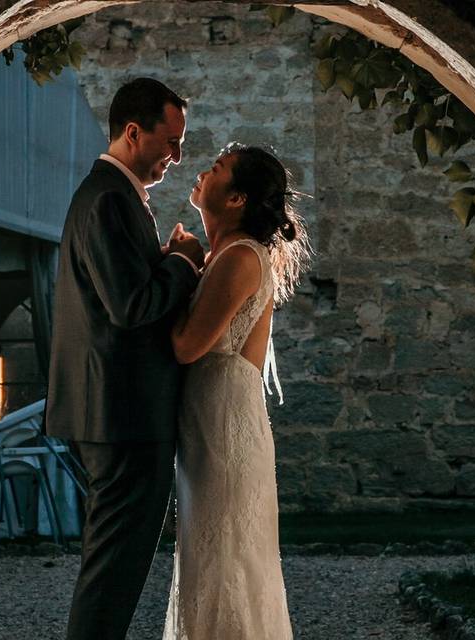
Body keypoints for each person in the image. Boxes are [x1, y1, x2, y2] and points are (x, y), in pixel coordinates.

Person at [45, 77, 205, 640]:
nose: (177, 157)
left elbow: (122, 291)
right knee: (114, 571)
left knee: (115, 567)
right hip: (123, 416)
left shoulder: (110, 196)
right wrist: (183, 262)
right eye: (171, 141)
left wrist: (161, 260)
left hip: (114, 411)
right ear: (133, 132)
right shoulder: (110, 198)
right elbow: (132, 305)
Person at [163, 143, 311, 639]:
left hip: (224, 429)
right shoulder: (223, 255)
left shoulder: (238, 258)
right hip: (211, 423)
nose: (204, 171)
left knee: (224, 565)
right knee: (213, 563)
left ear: (235, 199)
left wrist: (181, 266)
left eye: (219, 168)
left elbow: (186, 346)